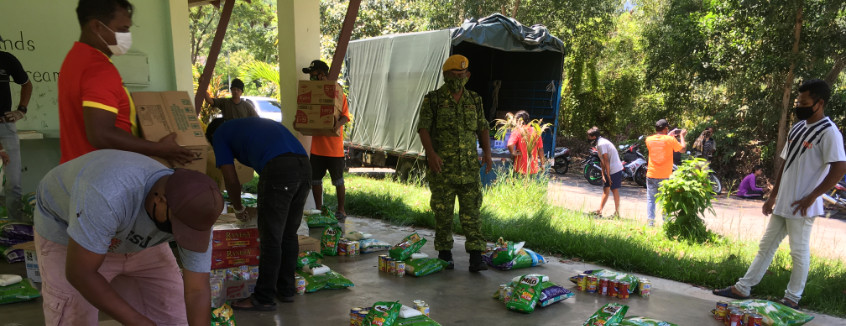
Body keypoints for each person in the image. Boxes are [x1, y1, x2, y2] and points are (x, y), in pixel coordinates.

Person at [33, 150, 223, 325]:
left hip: (136, 240)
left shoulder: (196, 210)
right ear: (160, 200)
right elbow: (80, 273)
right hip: (71, 234)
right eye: (177, 228)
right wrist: (138, 322)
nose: (181, 234)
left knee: (174, 317)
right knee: (75, 317)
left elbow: (197, 290)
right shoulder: (108, 192)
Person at [714, 79, 846, 309]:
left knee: (798, 251)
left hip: (803, 206)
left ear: (819, 103)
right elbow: (786, 163)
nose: (799, 106)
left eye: (804, 102)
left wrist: (812, 196)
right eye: (798, 102)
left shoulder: (829, 132)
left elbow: (839, 167)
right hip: (784, 201)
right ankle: (742, 288)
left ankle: (792, 298)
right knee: (766, 246)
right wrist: (773, 195)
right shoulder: (798, 127)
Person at [57, 0, 192, 164]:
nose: (127, 36)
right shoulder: (99, 69)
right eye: (123, 29)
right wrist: (160, 149)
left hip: (76, 170)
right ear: (97, 27)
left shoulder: (74, 59)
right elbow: (100, 134)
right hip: (103, 175)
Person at [205, 117, 311, 310]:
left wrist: (238, 208)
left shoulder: (219, 134)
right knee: (288, 234)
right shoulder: (248, 125)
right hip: (304, 166)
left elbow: (230, 179)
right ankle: (286, 290)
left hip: (279, 169)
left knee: (271, 238)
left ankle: (263, 297)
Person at [417, 54, 493, 272]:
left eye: (461, 74)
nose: (457, 78)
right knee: (443, 213)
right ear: (445, 76)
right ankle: (444, 254)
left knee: (472, 214)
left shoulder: (475, 100)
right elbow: (423, 128)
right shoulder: (433, 100)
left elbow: (483, 127)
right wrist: (430, 153)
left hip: (469, 168)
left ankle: (476, 257)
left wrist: (487, 153)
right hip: (442, 170)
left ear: (467, 76)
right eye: (453, 75)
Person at [302, 60, 350, 220]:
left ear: (323, 74)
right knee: (315, 180)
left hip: (334, 149)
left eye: (314, 75)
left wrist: (336, 125)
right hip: (317, 148)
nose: (312, 78)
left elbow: (345, 116)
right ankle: (318, 209)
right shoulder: (310, 94)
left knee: (338, 181)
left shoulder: (338, 94)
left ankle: (341, 210)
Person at [0, 50, 31, 221]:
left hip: (5, 126)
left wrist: (21, 110)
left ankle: (14, 228)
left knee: (14, 184)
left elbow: (27, 84)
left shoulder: (7, 59)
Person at [645, 119, 686, 226]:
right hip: (665, 175)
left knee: (651, 199)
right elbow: (683, 149)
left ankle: (650, 224)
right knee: (665, 200)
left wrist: (668, 135)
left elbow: (660, 142)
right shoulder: (669, 140)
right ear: (666, 128)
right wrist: (681, 135)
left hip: (651, 174)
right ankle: (667, 224)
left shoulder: (648, 139)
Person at [587, 127, 623, 217]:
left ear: (594, 136)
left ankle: (617, 214)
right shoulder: (599, 143)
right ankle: (599, 211)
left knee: (614, 190)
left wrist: (609, 175)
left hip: (614, 169)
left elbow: (606, 160)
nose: (588, 138)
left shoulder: (601, 144)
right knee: (605, 189)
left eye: (589, 137)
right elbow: (602, 160)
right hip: (609, 169)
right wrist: (603, 173)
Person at [506, 110, 544, 175]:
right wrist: (543, 164)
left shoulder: (518, 131)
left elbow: (510, 144)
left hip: (520, 169)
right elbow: (540, 149)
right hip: (533, 168)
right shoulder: (536, 131)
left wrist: (513, 152)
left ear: (519, 121)